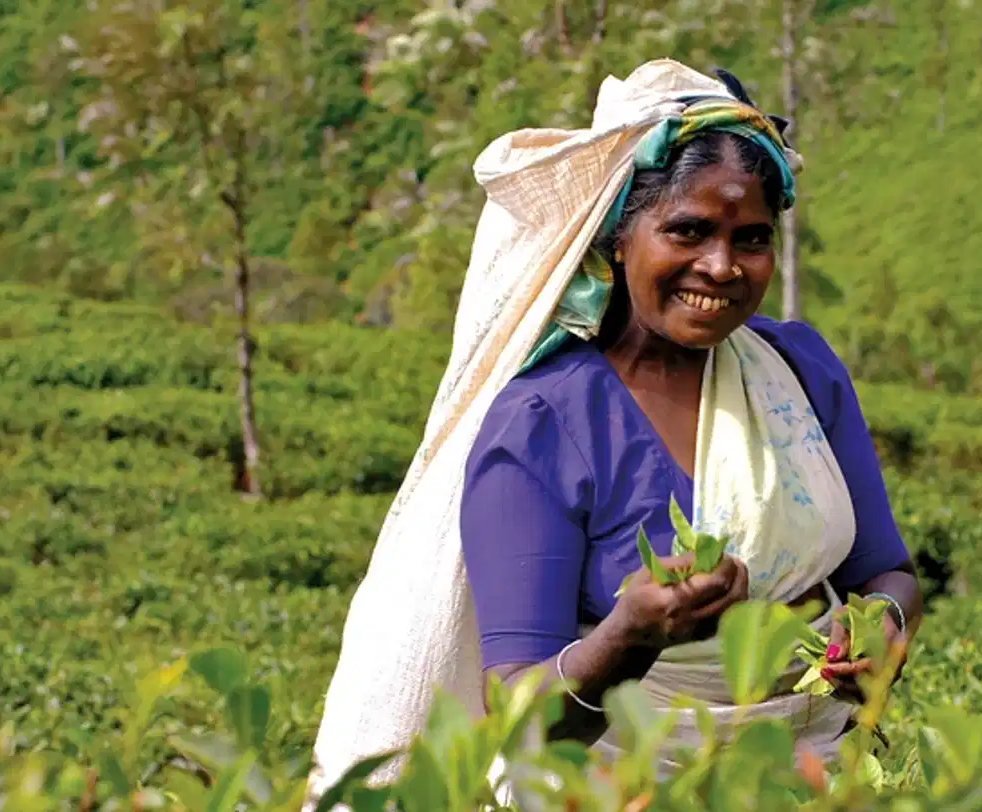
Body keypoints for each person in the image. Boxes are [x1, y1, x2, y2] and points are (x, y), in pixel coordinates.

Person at [305, 59, 921, 805]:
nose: (721, 266)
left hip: (817, 773)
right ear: (621, 235)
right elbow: (523, 722)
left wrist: (884, 625)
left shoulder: (800, 371)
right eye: (688, 231)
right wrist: (627, 637)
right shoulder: (544, 424)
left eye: (752, 239)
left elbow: (887, 570)